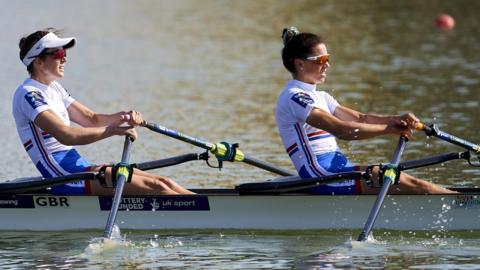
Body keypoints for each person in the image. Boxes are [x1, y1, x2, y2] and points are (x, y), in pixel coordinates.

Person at [13, 28, 193, 195]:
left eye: (65, 53)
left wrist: (123, 117)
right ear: (38, 61)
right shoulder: (29, 95)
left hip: (80, 169)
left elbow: (91, 119)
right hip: (64, 177)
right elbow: (66, 135)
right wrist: (112, 131)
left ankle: (211, 212)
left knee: (165, 181)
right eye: (59, 54)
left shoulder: (55, 88)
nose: (65, 59)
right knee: (157, 187)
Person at [276, 26, 453, 195]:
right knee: (414, 184)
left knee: (409, 182)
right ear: (299, 64)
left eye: (328, 59)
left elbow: (361, 118)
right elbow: (342, 130)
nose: (327, 65)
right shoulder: (294, 98)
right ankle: (464, 204)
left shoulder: (322, 97)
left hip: (340, 169)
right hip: (321, 176)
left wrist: (396, 120)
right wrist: (389, 130)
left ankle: (457, 199)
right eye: (321, 60)